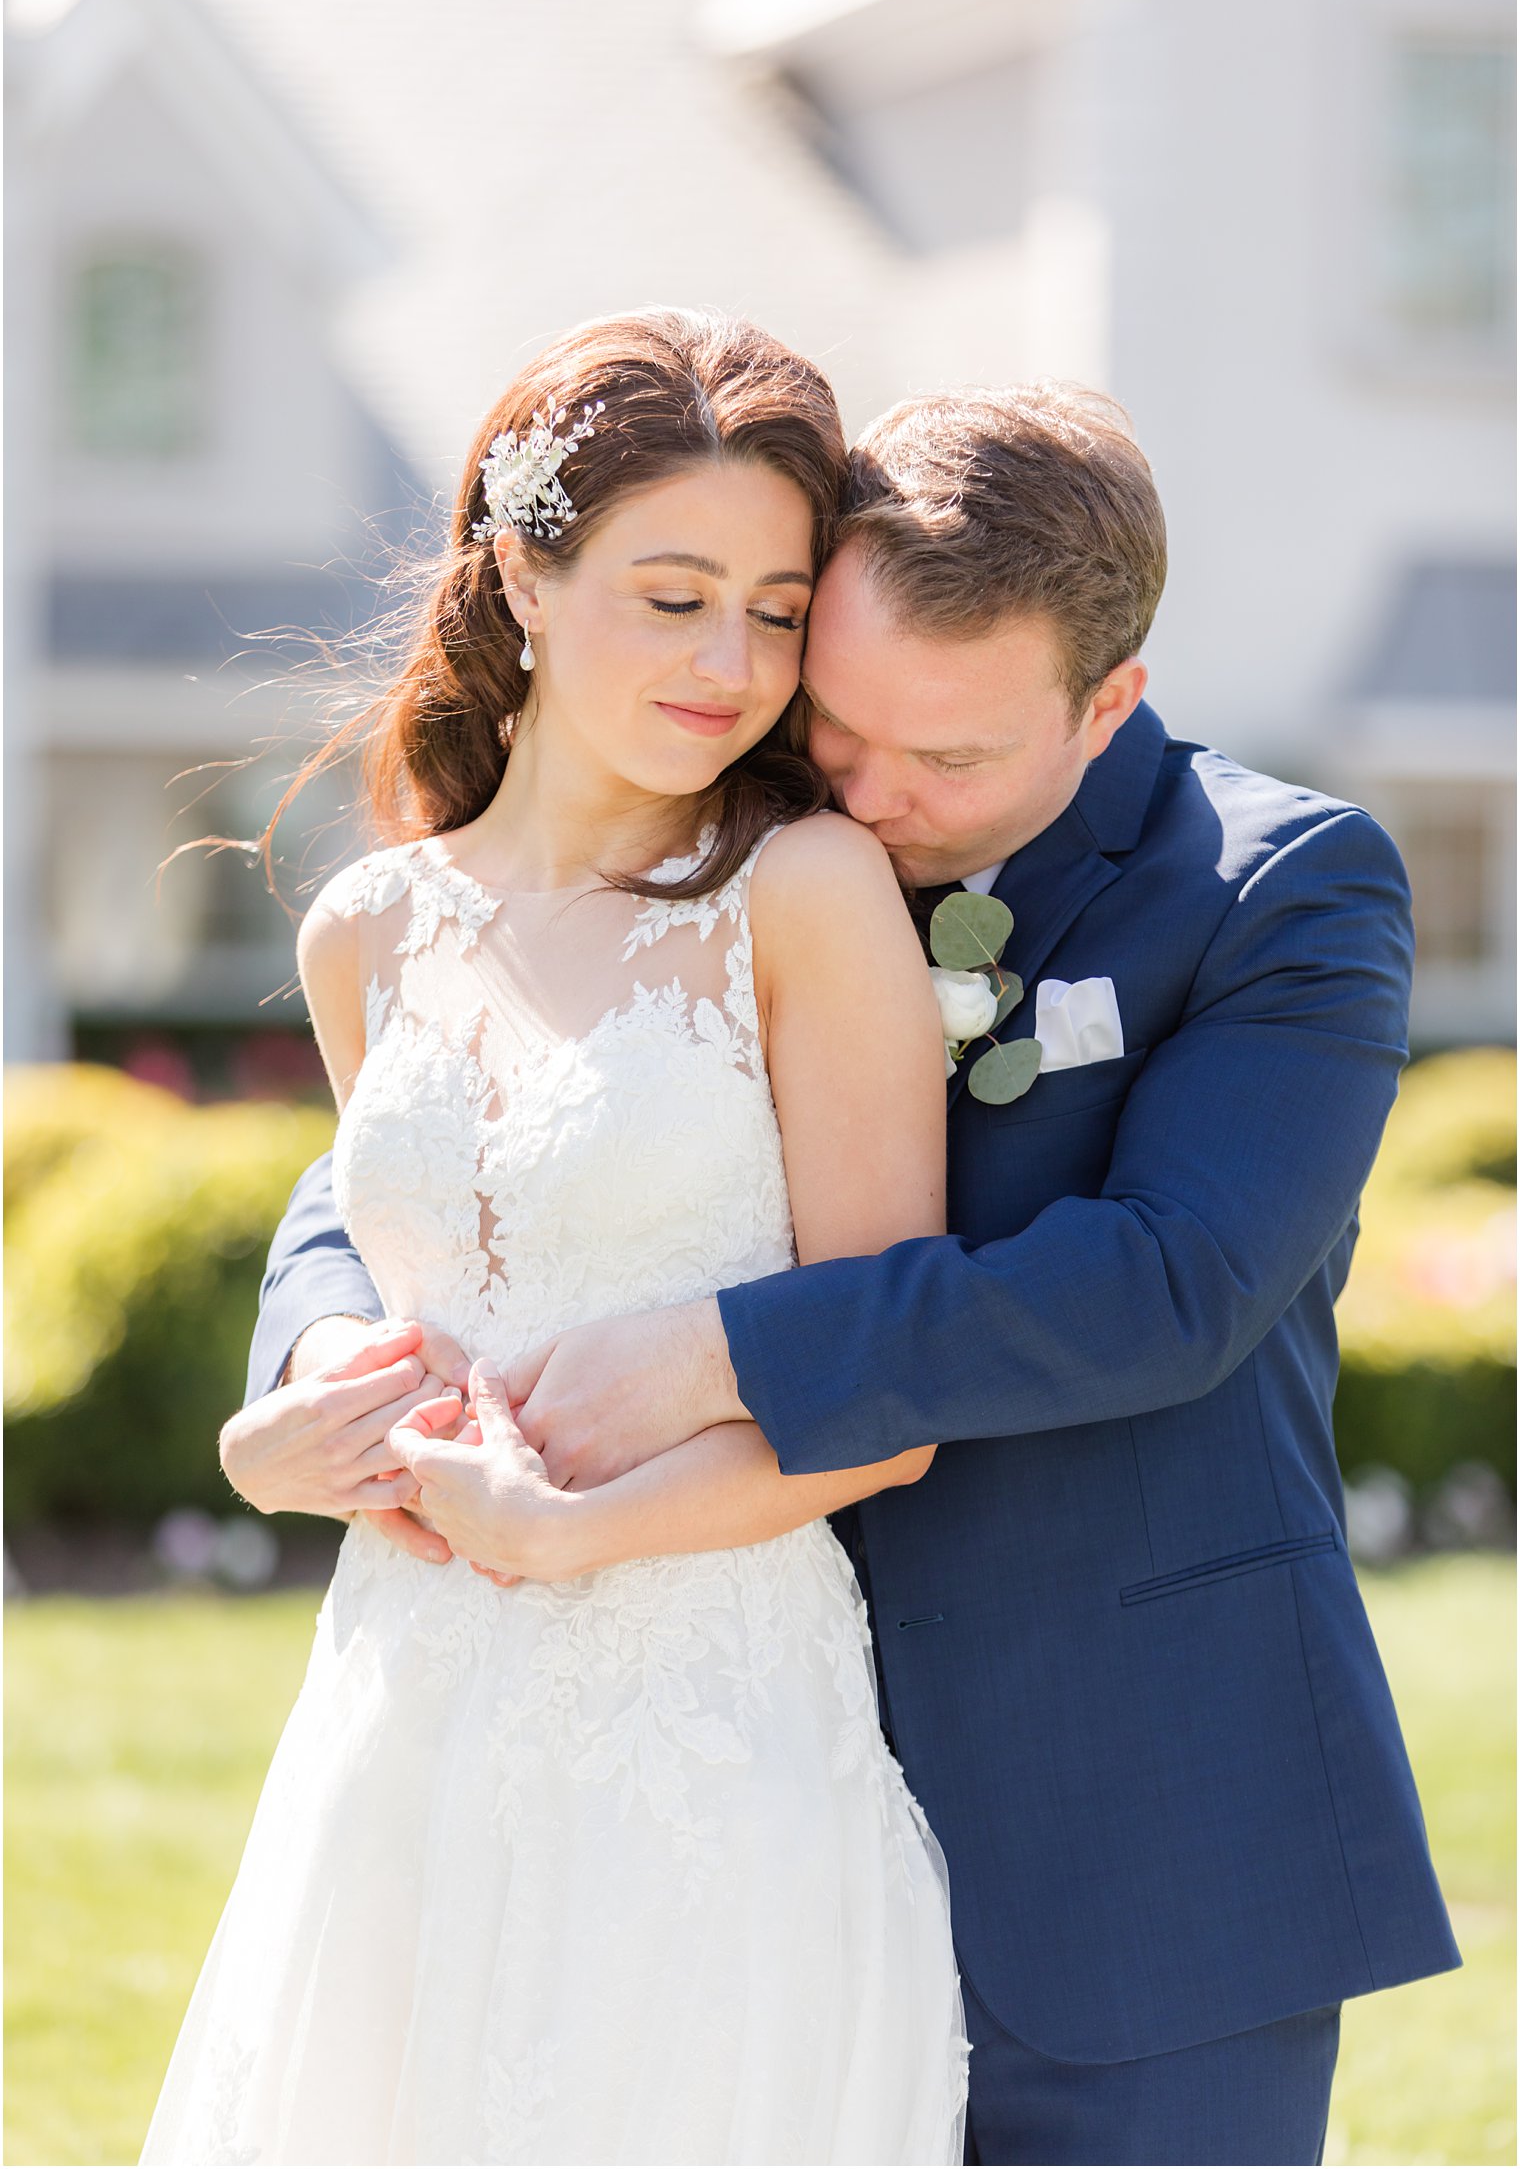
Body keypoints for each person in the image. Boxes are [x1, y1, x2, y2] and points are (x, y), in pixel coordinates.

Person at [238, 377, 1462, 2168]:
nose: (870, 798)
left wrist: (721, 1348)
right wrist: (314, 1350)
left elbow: (1174, 1282)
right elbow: (472, 1117)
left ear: (1108, 696)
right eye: (842, 730)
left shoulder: (1277, 892)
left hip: (1137, 1818)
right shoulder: (751, 820)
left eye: (947, 762)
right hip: (736, 1787)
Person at [141, 309, 970, 2167]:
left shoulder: (808, 895)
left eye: (775, 608)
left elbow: (888, 1389)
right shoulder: (365, 928)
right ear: (522, 571)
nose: (733, 662)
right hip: (406, 1705)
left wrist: (579, 1530)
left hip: (709, 1713)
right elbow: (399, 1288)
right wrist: (278, 1436)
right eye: (674, 595)